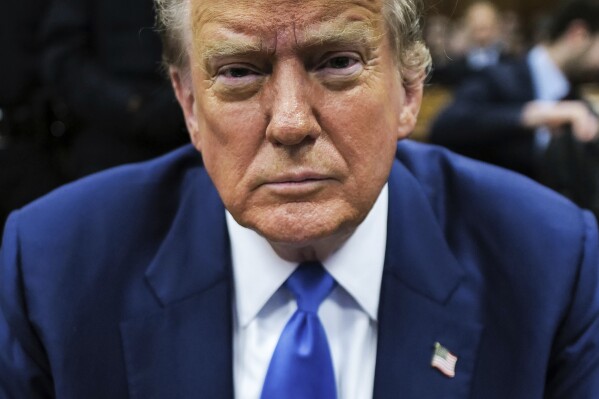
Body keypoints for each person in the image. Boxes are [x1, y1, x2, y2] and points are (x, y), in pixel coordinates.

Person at [1, 0, 598, 398]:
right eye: (238, 71)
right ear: (187, 104)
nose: (290, 123)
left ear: (409, 91)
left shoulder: (548, 263)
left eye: (337, 62)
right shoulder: (54, 270)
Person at [430, 0, 599, 214]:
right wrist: (536, 115)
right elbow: (445, 126)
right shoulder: (501, 75)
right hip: (489, 215)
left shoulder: (575, 98)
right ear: (579, 34)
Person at [40, 0, 188, 180]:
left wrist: (178, 100)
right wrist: (130, 105)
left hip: (182, 129)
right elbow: (64, 59)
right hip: (107, 139)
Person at [431, 1, 515, 86]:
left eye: (485, 26)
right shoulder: (455, 67)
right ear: (468, 27)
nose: (482, 32)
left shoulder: (511, 63)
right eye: (477, 26)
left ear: (496, 26)